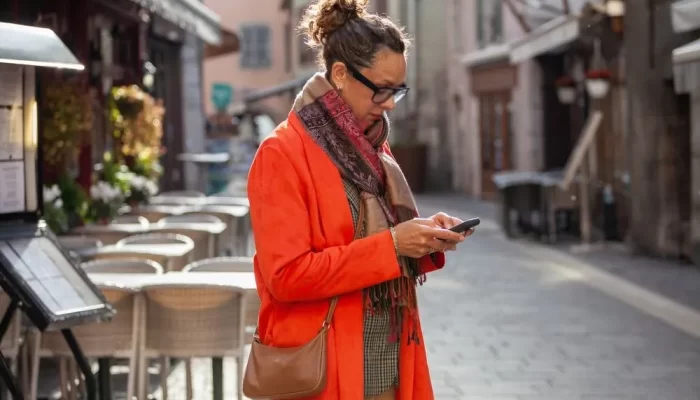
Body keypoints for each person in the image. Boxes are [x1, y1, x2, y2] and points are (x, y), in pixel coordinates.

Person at [247, 0, 473, 399]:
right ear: (339, 74)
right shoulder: (281, 153)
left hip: (388, 361)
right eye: (381, 90)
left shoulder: (372, 147)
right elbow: (285, 277)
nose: (388, 104)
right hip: (322, 369)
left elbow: (383, 248)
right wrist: (393, 244)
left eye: (397, 91)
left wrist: (422, 237)